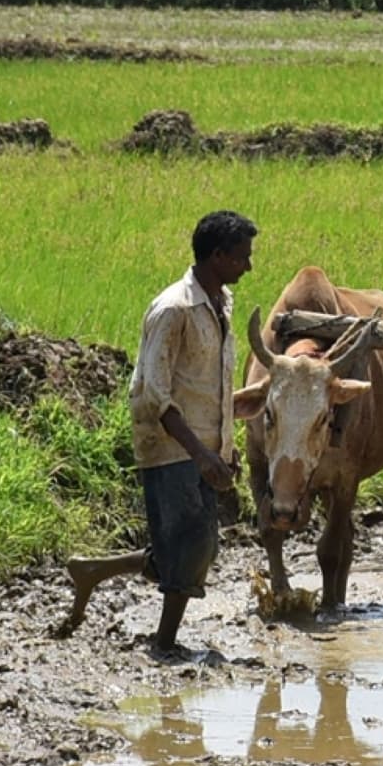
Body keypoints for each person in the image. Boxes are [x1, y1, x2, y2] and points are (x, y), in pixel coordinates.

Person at [57, 210, 258, 659]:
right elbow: (154, 392)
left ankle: (93, 571)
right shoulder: (174, 308)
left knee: (194, 547)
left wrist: (225, 448)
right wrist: (200, 454)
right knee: (194, 542)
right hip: (171, 444)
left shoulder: (222, 303)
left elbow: (216, 383)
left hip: (205, 443)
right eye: (242, 257)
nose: (249, 266)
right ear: (218, 256)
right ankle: (164, 644)